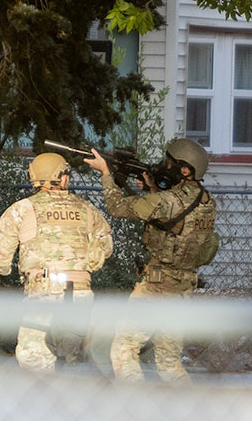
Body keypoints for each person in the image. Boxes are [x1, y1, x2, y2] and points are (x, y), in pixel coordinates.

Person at [84, 138, 218, 382]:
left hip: (157, 286)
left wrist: (105, 172)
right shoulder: (207, 201)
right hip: (182, 286)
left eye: (169, 163)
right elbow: (174, 222)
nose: (163, 166)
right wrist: (154, 189)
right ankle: (187, 413)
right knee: (169, 363)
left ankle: (135, 406)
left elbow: (116, 207)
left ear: (184, 170)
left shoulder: (166, 201)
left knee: (124, 349)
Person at [0, 153, 113, 372]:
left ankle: (44, 403)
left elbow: (0, 261)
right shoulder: (88, 210)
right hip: (81, 295)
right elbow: (106, 250)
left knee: (34, 359)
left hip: (43, 294)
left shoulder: (21, 209)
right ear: (62, 178)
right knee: (75, 361)